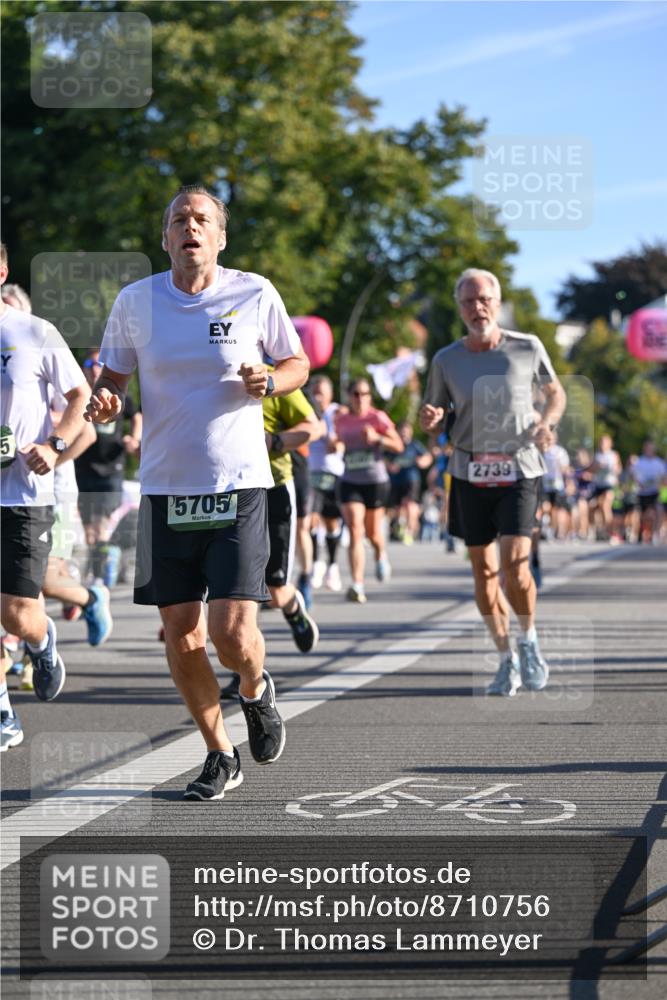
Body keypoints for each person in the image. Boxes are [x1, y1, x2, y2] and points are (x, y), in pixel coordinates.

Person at [85, 184, 310, 801]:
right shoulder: (136, 301)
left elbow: (297, 364)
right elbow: (112, 382)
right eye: (179, 219)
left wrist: (271, 377)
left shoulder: (254, 291)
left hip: (238, 484)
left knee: (231, 635)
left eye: (202, 219)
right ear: (165, 239)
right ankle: (218, 752)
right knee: (181, 633)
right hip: (164, 488)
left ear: (220, 237)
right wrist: (105, 402)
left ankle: (256, 686)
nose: (190, 227)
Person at [420, 267, 566, 696]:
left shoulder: (527, 347)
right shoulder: (446, 359)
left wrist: (549, 422)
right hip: (468, 470)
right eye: (468, 301)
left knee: (516, 567)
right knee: (483, 572)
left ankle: (530, 639)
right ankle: (506, 658)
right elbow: (433, 414)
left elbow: (554, 392)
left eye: (483, 299)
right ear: (460, 308)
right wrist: (431, 419)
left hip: (519, 466)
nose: (476, 307)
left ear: (497, 303)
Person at [1, 242, 90, 750]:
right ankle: (3, 713)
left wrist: (54, 446)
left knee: (16, 611)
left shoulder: (34, 332)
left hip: (22, 492)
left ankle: (42, 639)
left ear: (3, 270)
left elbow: (78, 394)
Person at [220, 379, 322, 700]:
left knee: (273, 591)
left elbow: (312, 428)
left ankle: (293, 608)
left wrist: (274, 441)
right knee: (240, 591)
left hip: (275, 489)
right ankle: (244, 671)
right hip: (230, 492)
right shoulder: (211, 375)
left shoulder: (274, 380)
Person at [75, 348, 142, 585]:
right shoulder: (78, 395)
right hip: (83, 468)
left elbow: (136, 415)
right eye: (89, 364)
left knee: (101, 526)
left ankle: (100, 578)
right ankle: (101, 569)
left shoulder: (116, 393)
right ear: (83, 369)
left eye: (98, 364)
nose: (94, 368)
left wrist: (133, 439)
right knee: (90, 532)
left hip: (111, 468)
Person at [335, 378, 403, 603]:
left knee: (373, 533)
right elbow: (335, 441)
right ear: (349, 396)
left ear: (370, 396)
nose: (360, 398)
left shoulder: (377, 417)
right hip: (350, 480)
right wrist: (334, 446)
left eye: (364, 394)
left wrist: (378, 439)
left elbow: (399, 445)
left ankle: (380, 554)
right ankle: (357, 584)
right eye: (356, 393)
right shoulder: (342, 420)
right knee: (355, 528)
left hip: (375, 481)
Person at [307, 375, 345, 592]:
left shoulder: (337, 413)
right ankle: (315, 562)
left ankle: (332, 565)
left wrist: (325, 425)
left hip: (333, 473)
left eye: (321, 392)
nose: (317, 397)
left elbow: (335, 446)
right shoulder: (307, 412)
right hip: (312, 472)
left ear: (330, 394)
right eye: (314, 392)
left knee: (331, 523)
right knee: (311, 520)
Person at [386, 420, 432, 544]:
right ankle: (397, 528)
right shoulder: (393, 446)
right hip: (395, 481)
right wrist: (389, 465)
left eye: (407, 432)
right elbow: (382, 458)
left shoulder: (415, 445)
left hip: (411, 480)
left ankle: (410, 533)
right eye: (402, 432)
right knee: (396, 508)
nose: (405, 434)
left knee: (411, 505)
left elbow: (428, 457)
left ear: (410, 433)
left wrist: (423, 461)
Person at [632, 440, 666, 543]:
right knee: (644, 515)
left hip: (655, 492)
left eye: (651, 448)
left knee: (658, 510)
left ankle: (656, 533)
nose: (649, 450)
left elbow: (664, 478)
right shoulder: (639, 462)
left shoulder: (659, 463)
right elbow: (634, 475)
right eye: (647, 448)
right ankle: (641, 533)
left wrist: (659, 483)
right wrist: (640, 483)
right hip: (642, 493)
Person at [589, 434, 622, 541]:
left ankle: (611, 531)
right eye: (601, 442)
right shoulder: (596, 455)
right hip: (598, 485)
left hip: (609, 484)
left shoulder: (613, 455)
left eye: (605, 442)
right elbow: (591, 470)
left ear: (609, 444)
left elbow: (618, 470)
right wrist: (598, 467)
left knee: (605, 506)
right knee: (593, 507)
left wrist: (611, 468)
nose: (602, 444)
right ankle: (598, 530)